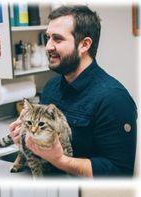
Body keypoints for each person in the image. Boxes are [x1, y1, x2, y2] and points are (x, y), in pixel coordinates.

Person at [9, 5, 137, 177]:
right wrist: (26, 140)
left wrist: (60, 160)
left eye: (57, 39)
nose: (48, 46)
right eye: (47, 38)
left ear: (84, 45)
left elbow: (119, 172)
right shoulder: (51, 87)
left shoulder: (113, 99)